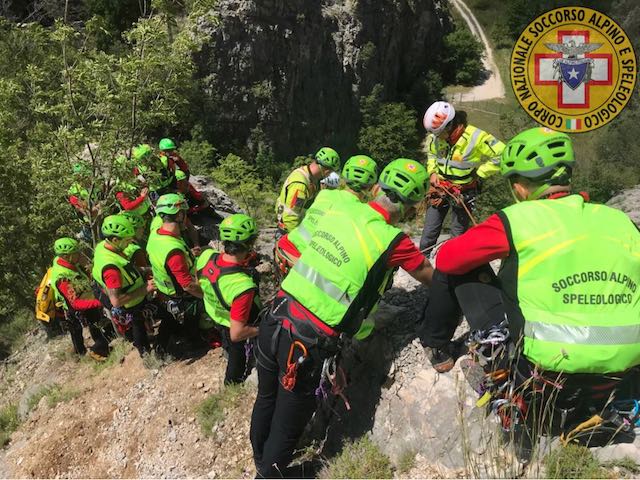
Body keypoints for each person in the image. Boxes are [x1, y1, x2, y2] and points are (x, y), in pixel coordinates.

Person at [418, 128, 640, 447]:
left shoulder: (517, 219)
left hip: (541, 371)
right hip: (619, 372)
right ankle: (594, 412)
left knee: (461, 266)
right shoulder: (620, 221)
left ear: (520, 186)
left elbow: (450, 259)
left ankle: (438, 346)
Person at [250, 158, 434, 478]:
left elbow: (293, 246)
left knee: (266, 397)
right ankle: (270, 473)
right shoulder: (394, 242)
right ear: (411, 209)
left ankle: (259, 456)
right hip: (307, 344)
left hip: (276, 316)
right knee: (287, 421)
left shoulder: (340, 208)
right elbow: (430, 276)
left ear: (376, 189)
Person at [274, 154, 379, 278]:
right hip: (293, 247)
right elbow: (291, 216)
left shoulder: (323, 194)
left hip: (287, 245)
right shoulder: (301, 184)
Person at [419, 101, 505, 251]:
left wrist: (481, 172)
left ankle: (453, 268)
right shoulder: (435, 135)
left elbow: (503, 154)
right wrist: (432, 172)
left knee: (458, 235)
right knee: (429, 234)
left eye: (440, 134)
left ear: (450, 126)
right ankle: (423, 265)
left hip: (464, 192)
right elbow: (432, 153)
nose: (437, 138)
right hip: (440, 189)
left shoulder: (475, 137)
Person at [197, 214, 262, 384]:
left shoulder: (206, 257)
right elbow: (237, 333)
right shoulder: (243, 286)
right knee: (236, 351)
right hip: (231, 323)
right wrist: (262, 329)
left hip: (214, 312)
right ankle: (232, 382)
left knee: (228, 342)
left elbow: (199, 283)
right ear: (248, 245)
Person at [92, 214, 157, 357]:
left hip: (131, 292)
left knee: (139, 326)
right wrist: (145, 288)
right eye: (127, 240)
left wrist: (146, 270)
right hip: (130, 303)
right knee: (138, 327)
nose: (130, 243)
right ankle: (146, 356)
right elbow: (116, 301)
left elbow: (126, 268)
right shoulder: (111, 269)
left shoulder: (104, 246)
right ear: (115, 239)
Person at [146, 193, 204, 349]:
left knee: (171, 322)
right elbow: (187, 285)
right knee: (195, 323)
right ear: (179, 214)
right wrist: (208, 296)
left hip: (166, 291)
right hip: (183, 296)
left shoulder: (155, 235)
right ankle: (195, 343)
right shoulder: (173, 250)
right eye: (184, 213)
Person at [51, 237, 111, 361]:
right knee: (82, 329)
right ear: (66, 256)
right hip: (78, 307)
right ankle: (89, 353)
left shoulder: (69, 263)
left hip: (87, 300)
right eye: (76, 253)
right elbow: (75, 304)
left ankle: (99, 349)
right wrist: (99, 302)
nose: (79, 254)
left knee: (96, 324)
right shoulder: (62, 278)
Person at [274, 147, 340, 237]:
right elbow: (291, 217)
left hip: (298, 227)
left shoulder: (312, 178)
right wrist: (298, 241)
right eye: (330, 173)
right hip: (288, 232)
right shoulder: (300, 184)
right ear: (326, 171)